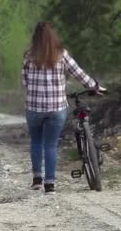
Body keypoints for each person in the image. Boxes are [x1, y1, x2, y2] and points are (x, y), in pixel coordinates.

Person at [22, 22, 106, 194]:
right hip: (56, 108)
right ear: (54, 36)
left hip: (34, 108)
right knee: (51, 145)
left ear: (35, 38)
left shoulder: (28, 56)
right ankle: (50, 185)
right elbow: (79, 74)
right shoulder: (62, 55)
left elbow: (25, 82)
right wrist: (95, 86)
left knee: (37, 142)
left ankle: (37, 180)